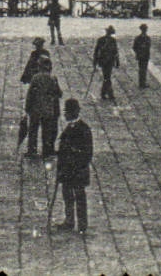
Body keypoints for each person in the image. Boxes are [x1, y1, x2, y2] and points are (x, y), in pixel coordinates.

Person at [54, 98, 93, 233]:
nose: (64, 115)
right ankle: (69, 220)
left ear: (73, 113)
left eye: (67, 112)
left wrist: (74, 157)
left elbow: (87, 153)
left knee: (79, 197)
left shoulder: (84, 129)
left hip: (77, 171)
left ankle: (82, 224)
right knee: (67, 196)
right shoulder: (69, 128)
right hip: (67, 170)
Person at [25, 55, 62, 159]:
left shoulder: (35, 78)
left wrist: (27, 107)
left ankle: (32, 150)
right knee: (47, 131)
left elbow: (30, 94)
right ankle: (46, 151)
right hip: (48, 109)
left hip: (35, 109)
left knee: (33, 130)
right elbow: (59, 93)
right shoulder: (52, 78)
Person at [92, 26, 120, 102]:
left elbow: (115, 52)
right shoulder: (108, 40)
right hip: (106, 61)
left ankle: (104, 93)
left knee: (107, 77)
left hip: (106, 61)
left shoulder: (102, 40)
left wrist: (95, 62)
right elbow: (97, 51)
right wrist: (117, 62)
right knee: (107, 77)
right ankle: (108, 94)